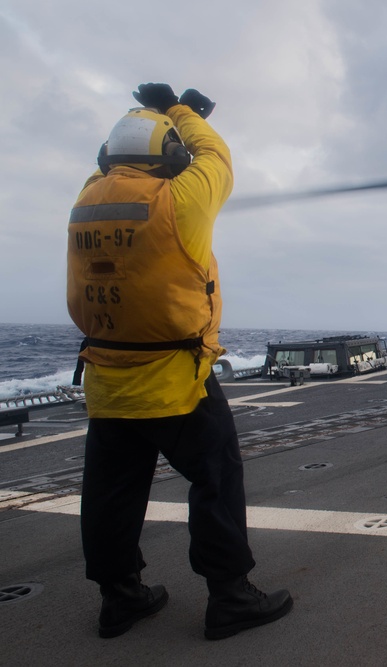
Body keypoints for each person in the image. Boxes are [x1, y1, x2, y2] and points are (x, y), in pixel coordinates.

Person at [67, 83, 292, 640]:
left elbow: (114, 161)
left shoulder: (87, 198)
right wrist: (183, 112)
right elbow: (215, 154)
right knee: (216, 479)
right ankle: (231, 596)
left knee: (111, 492)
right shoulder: (181, 200)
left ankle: (120, 598)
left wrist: (151, 114)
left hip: (106, 379)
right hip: (175, 381)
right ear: (169, 157)